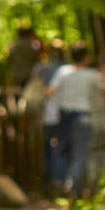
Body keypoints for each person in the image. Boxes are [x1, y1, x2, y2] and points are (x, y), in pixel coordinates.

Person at [47, 43, 105, 198]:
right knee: (80, 153)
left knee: (62, 150)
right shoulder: (92, 75)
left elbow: (50, 91)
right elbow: (104, 91)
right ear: (86, 58)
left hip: (65, 116)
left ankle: (59, 183)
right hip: (83, 116)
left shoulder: (63, 72)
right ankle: (72, 187)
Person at [34, 41, 66, 193]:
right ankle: (58, 182)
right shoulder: (65, 70)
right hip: (61, 116)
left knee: (48, 150)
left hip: (46, 116)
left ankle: (47, 183)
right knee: (59, 149)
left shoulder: (41, 68)